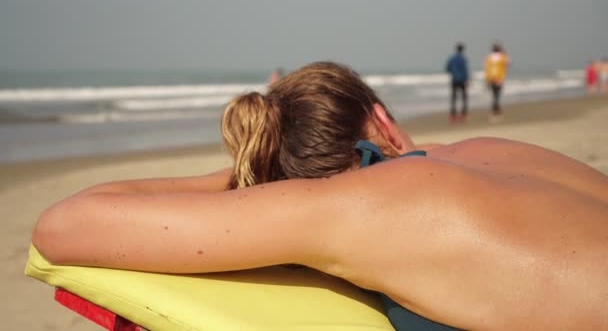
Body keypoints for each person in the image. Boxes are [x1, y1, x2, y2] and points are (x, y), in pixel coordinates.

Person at [33, 62, 608, 330]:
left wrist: (237, 174)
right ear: (381, 118)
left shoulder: (351, 204)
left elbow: (62, 226)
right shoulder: (493, 149)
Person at [484, 43, 510, 122]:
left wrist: (487, 79)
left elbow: (487, 69)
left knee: (495, 96)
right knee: (496, 96)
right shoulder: (502, 57)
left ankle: (496, 111)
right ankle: (496, 112)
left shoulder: (489, 57)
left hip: (492, 78)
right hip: (498, 78)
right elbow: (507, 63)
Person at [445, 43, 470, 124]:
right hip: (462, 80)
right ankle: (463, 115)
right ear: (462, 50)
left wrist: (453, 73)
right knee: (464, 98)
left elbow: (447, 68)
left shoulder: (451, 59)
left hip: (454, 80)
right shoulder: (463, 59)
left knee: (454, 98)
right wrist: (467, 80)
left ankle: (453, 116)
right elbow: (465, 70)